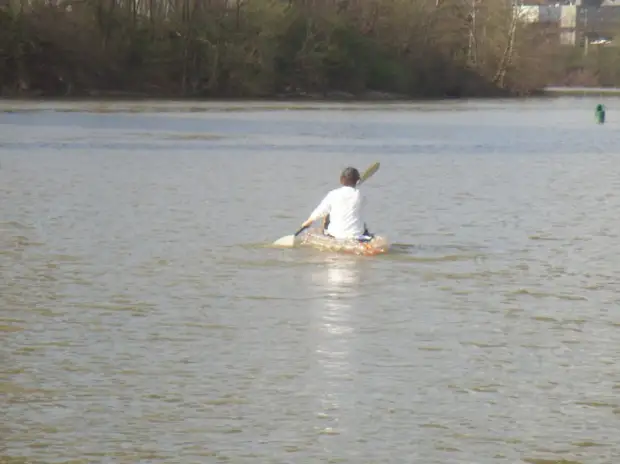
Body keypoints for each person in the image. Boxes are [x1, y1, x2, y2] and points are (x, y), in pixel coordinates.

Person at [299, 167, 373, 241]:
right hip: (356, 235)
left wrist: (308, 221)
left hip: (335, 235)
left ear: (341, 179)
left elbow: (320, 211)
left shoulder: (333, 194)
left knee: (327, 213)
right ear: (357, 181)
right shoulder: (361, 196)